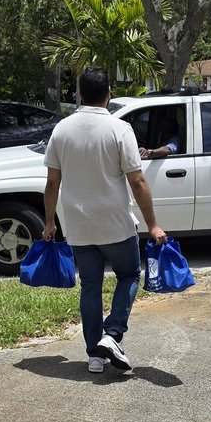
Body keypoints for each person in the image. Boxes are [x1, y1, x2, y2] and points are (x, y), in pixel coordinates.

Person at [42, 66, 167, 374]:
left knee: (91, 287)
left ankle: (94, 356)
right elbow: (137, 181)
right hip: (114, 223)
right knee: (128, 276)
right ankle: (112, 336)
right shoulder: (119, 129)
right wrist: (152, 224)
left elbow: (52, 184)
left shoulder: (62, 129)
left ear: (79, 94)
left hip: (79, 225)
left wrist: (49, 223)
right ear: (109, 93)